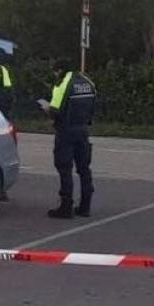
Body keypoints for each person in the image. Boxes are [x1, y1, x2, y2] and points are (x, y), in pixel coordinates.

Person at [39, 67, 97, 219]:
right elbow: (94, 106)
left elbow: (55, 110)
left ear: (60, 70)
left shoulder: (64, 84)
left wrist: (46, 108)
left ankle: (66, 207)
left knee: (64, 168)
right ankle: (85, 206)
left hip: (66, 131)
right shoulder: (88, 82)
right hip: (83, 130)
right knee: (84, 168)